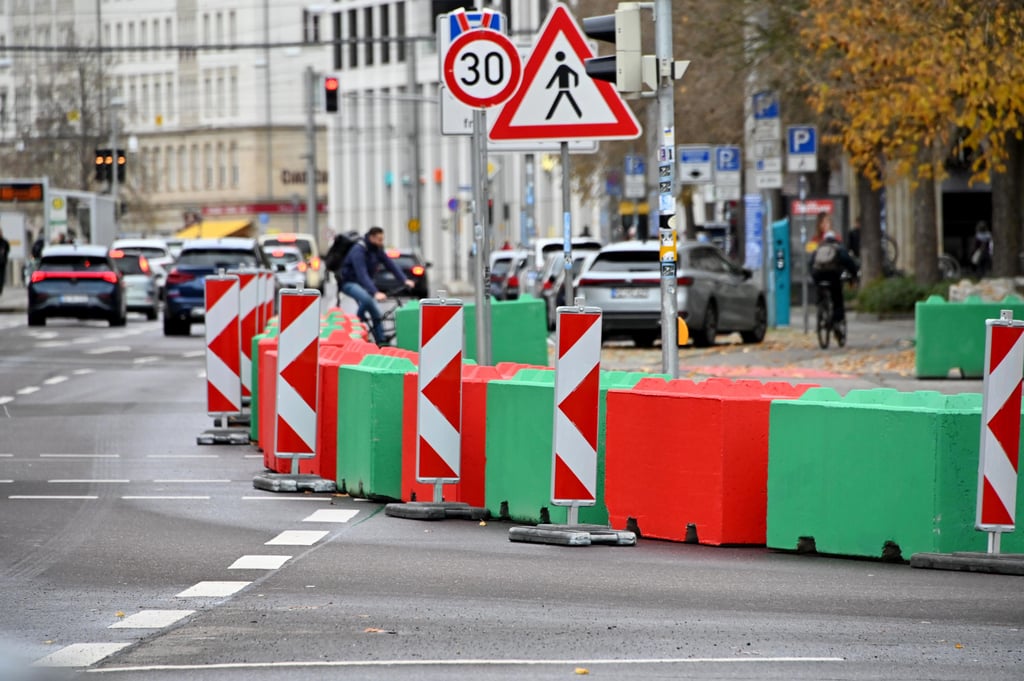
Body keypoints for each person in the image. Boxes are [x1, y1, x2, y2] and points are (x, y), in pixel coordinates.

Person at [337, 226, 413, 345]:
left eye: (382, 239)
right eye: (379, 239)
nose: (381, 242)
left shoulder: (377, 249)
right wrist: (375, 292)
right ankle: (358, 328)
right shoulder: (359, 250)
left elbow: (390, 264)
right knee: (367, 300)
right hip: (349, 283)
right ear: (371, 238)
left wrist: (404, 280)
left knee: (374, 310)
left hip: (364, 284)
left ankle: (380, 340)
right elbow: (362, 274)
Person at [810, 230, 859, 327]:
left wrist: (813, 275)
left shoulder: (818, 248)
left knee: (820, 290)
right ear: (835, 239)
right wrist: (854, 276)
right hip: (832, 275)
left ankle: (820, 305)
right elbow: (849, 263)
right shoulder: (839, 248)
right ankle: (837, 320)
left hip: (818, 275)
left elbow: (811, 263)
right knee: (837, 297)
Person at [0, 227, 10, 296]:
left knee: (1, 277)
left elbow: (7, 250)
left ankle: (0, 289)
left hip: (2, 262)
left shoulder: (4, 242)